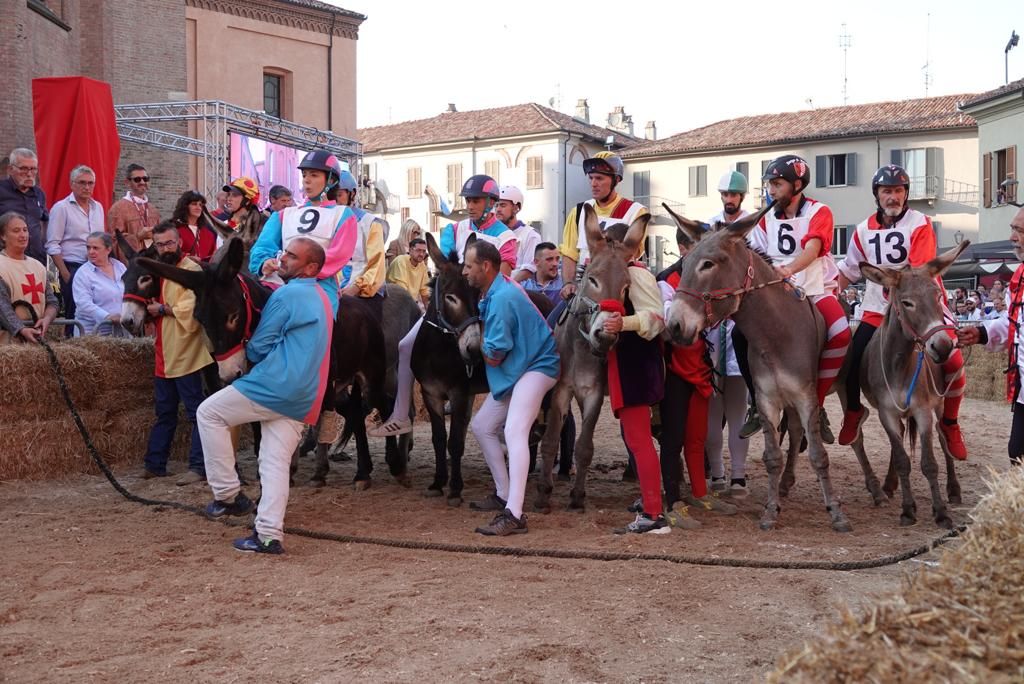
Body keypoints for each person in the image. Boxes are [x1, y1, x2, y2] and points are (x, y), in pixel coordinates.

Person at [198, 237, 334, 554]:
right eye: (285, 252)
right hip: (303, 395)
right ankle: (269, 535)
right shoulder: (323, 297)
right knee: (274, 463)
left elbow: (258, 347)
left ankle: (227, 495)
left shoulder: (286, 295)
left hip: (274, 385)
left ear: (311, 267)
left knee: (209, 413)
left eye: (292, 256)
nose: (282, 258)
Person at [368, 174, 516, 437]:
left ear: (491, 202)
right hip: (454, 306)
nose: (470, 206)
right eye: (468, 201)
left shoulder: (506, 237)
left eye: (476, 201)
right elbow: (446, 267)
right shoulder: (454, 230)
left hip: (488, 305)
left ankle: (510, 411)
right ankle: (401, 414)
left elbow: (502, 276)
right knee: (405, 346)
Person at [837, 164, 967, 458]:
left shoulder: (920, 223)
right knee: (851, 358)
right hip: (877, 309)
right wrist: (831, 290)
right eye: (887, 191)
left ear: (906, 194)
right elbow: (848, 269)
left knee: (954, 361)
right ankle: (854, 411)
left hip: (921, 306)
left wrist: (892, 282)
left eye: (898, 191)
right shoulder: (862, 229)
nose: (893, 197)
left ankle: (949, 422)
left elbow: (919, 271)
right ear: (877, 195)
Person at [747, 155, 849, 444]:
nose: (771, 190)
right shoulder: (764, 217)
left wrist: (789, 270)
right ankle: (755, 403)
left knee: (841, 333)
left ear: (797, 185)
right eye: (769, 184)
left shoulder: (820, 211)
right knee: (741, 335)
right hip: (774, 294)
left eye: (777, 184)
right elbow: (755, 255)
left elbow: (813, 249)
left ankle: (817, 403)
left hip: (815, 289)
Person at [464, 240, 559, 535]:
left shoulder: (501, 298)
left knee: (514, 431)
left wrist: (478, 343)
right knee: (482, 426)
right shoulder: (499, 289)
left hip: (536, 367)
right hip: (523, 367)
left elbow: (495, 356)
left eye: (468, 266)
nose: (465, 271)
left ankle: (515, 514)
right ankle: (504, 494)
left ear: (485, 267)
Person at [655, 225, 737, 526]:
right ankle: (673, 502)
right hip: (675, 369)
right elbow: (669, 321)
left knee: (697, 437)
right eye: (695, 245)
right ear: (682, 248)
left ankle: (700, 492)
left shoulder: (712, 277)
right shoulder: (667, 280)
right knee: (673, 438)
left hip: (701, 368)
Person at [140, 221, 215, 485]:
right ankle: (154, 464)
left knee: (196, 411)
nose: (165, 248)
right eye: (160, 245)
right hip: (165, 351)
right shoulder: (159, 270)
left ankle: (198, 466)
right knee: (165, 411)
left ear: (179, 242)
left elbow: (192, 309)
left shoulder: (191, 270)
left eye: (169, 243)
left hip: (187, 352)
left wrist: (162, 309)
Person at [957, 206, 1024, 468]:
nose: (1012, 237)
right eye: (1013, 229)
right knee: (1017, 453)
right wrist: (982, 333)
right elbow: (1013, 323)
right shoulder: (1019, 278)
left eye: (1019, 231)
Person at [249, 149, 358, 309]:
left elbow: (337, 255)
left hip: (318, 288)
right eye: (305, 175)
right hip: (279, 284)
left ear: (330, 180)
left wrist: (296, 269)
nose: (307, 180)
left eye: (314, 175)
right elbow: (262, 248)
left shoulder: (344, 215)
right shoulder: (282, 215)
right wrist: (264, 263)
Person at [556, 152, 648, 302]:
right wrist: (568, 283)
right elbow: (569, 253)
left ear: (616, 180)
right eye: (591, 178)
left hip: (619, 290)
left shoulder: (636, 212)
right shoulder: (578, 211)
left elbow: (633, 254)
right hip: (583, 288)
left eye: (599, 178)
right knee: (552, 316)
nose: (593, 183)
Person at [46, 165, 104, 334]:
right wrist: (66, 275)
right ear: (72, 184)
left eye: (90, 183)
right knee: (74, 313)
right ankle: (71, 341)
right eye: (82, 183)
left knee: (94, 312)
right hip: (73, 267)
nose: (87, 187)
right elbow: (52, 244)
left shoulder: (98, 208)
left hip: (96, 267)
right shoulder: (61, 208)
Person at [338, 169, 388, 321]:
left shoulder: (370, 223)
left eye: (339, 195)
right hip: (333, 289)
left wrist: (355, 288)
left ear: (352, 194)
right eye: (331, 196)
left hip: (365, 291)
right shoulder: (327, 222)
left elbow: (377, 265)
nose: (335, 201)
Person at [0, 212, 57, 343]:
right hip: (8, 344)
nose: (23, 235)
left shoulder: (38, 266)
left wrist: (47, 319)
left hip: (37, 340)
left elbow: (52, 301)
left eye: (25, 230)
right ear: (3, 236)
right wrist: (21, 329)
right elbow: (2, 307)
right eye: (16, 231)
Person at [72, 231, 128, 336]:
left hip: (120, 330)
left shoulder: (120, 267)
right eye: (88, 248)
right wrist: (108, 317)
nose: (91, 252)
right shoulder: (82, 273)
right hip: (92, 333)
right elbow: (84, 304)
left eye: (95, 248)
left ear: (108, 249)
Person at [0, 149, 48, 265]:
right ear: (10, 169)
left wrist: (43, 243)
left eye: (33, 169)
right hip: (6, 260)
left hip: (36, 259)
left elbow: (44, 219)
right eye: (23, 168)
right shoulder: (1, 191)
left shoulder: (39, 193)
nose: (29, 173)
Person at [107, 163, 161, 261]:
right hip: (132, 263)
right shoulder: (118, 208)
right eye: (137, 179)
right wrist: (138, 237)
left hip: (153, 261)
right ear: (127, 182)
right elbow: (114, 241)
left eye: (145, 179)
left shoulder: (153, 209)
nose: (142, 182)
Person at [494, 185, 540, 283]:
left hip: (518, 289)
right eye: (496, 205)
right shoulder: (492, 234)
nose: (498, 209)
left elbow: (529, 269)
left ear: (516, 208)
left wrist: (506, 286)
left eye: (503, 205)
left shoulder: (531, 235)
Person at [170, 190, 218, 262]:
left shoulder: (208, 234)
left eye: (200, 205)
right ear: (185, 206)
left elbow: (214, 257)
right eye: (194, 204)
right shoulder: (174, 229)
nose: (198, 207)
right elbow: (167, 252)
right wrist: (185, 257)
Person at [386, 237, 430, 309]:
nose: (421, 254)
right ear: (410, 250)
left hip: (409, 303)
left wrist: (428, 309)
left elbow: (425, 291)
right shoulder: (401, 261)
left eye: (424, 251)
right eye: (418, 250)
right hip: (393, 303)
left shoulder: (422, 265)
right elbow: (402, 291)